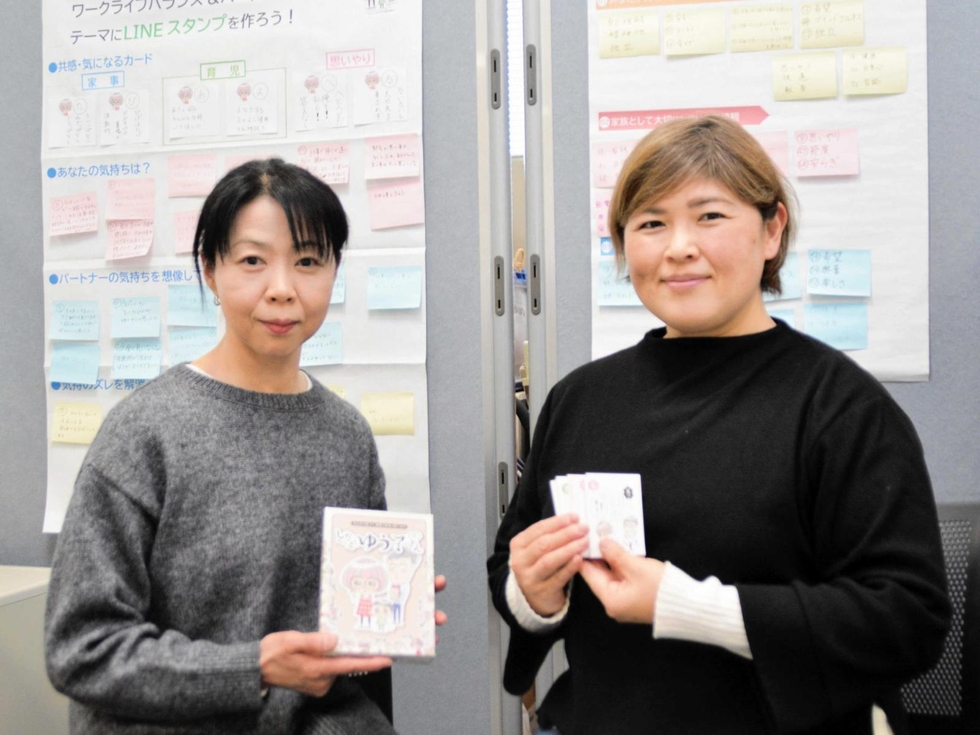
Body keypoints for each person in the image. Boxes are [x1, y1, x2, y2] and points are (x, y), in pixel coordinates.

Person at [487, 116, 950, 735]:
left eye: (709, 216)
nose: (679, 246)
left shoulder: (840, 407)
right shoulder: (581, 399)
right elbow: (512, 569)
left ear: (772, 230)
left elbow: (908, 619)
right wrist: (535, 596)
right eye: (651, 223)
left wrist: (683, 605)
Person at [46, 158, 445, 734]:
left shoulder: (347, 436)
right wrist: (253, 668)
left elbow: (353, 665)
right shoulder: (145, 432)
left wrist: (387, 611)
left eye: (308, 261)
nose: (282, 290)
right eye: (253, 261)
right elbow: (81, 649)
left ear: (334, 271)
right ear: (211, 269)